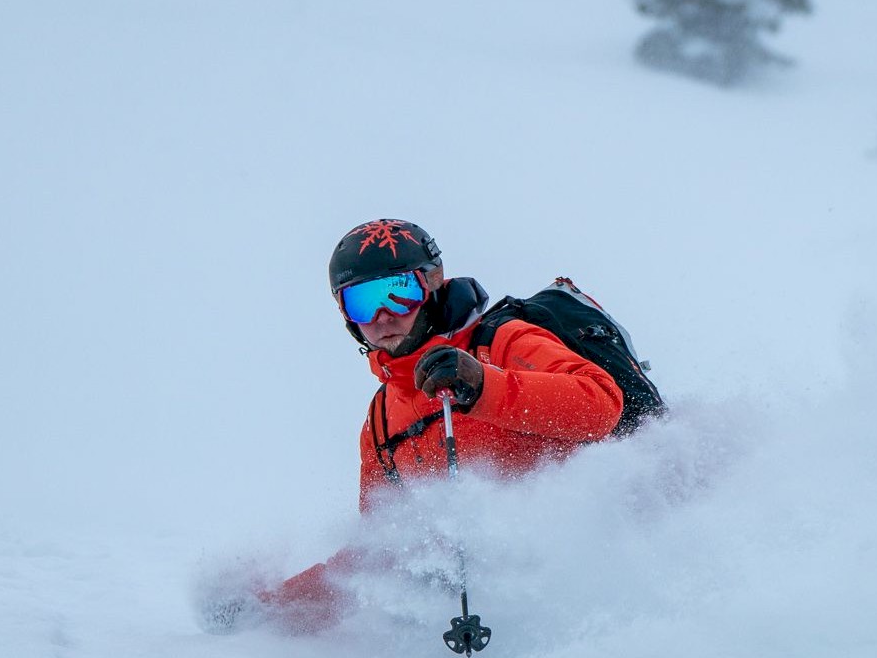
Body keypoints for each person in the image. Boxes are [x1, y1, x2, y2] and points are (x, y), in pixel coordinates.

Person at [254, 218, 625, 631]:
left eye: (399, 294)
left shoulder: (501, 343)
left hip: (583, 592)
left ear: (431, 284)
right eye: (361, 302)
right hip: (480, 622)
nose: (382, 316)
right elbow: (381, 552)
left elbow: (600, 404)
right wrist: (273, 607)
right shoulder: (381, 421)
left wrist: (482, 386)